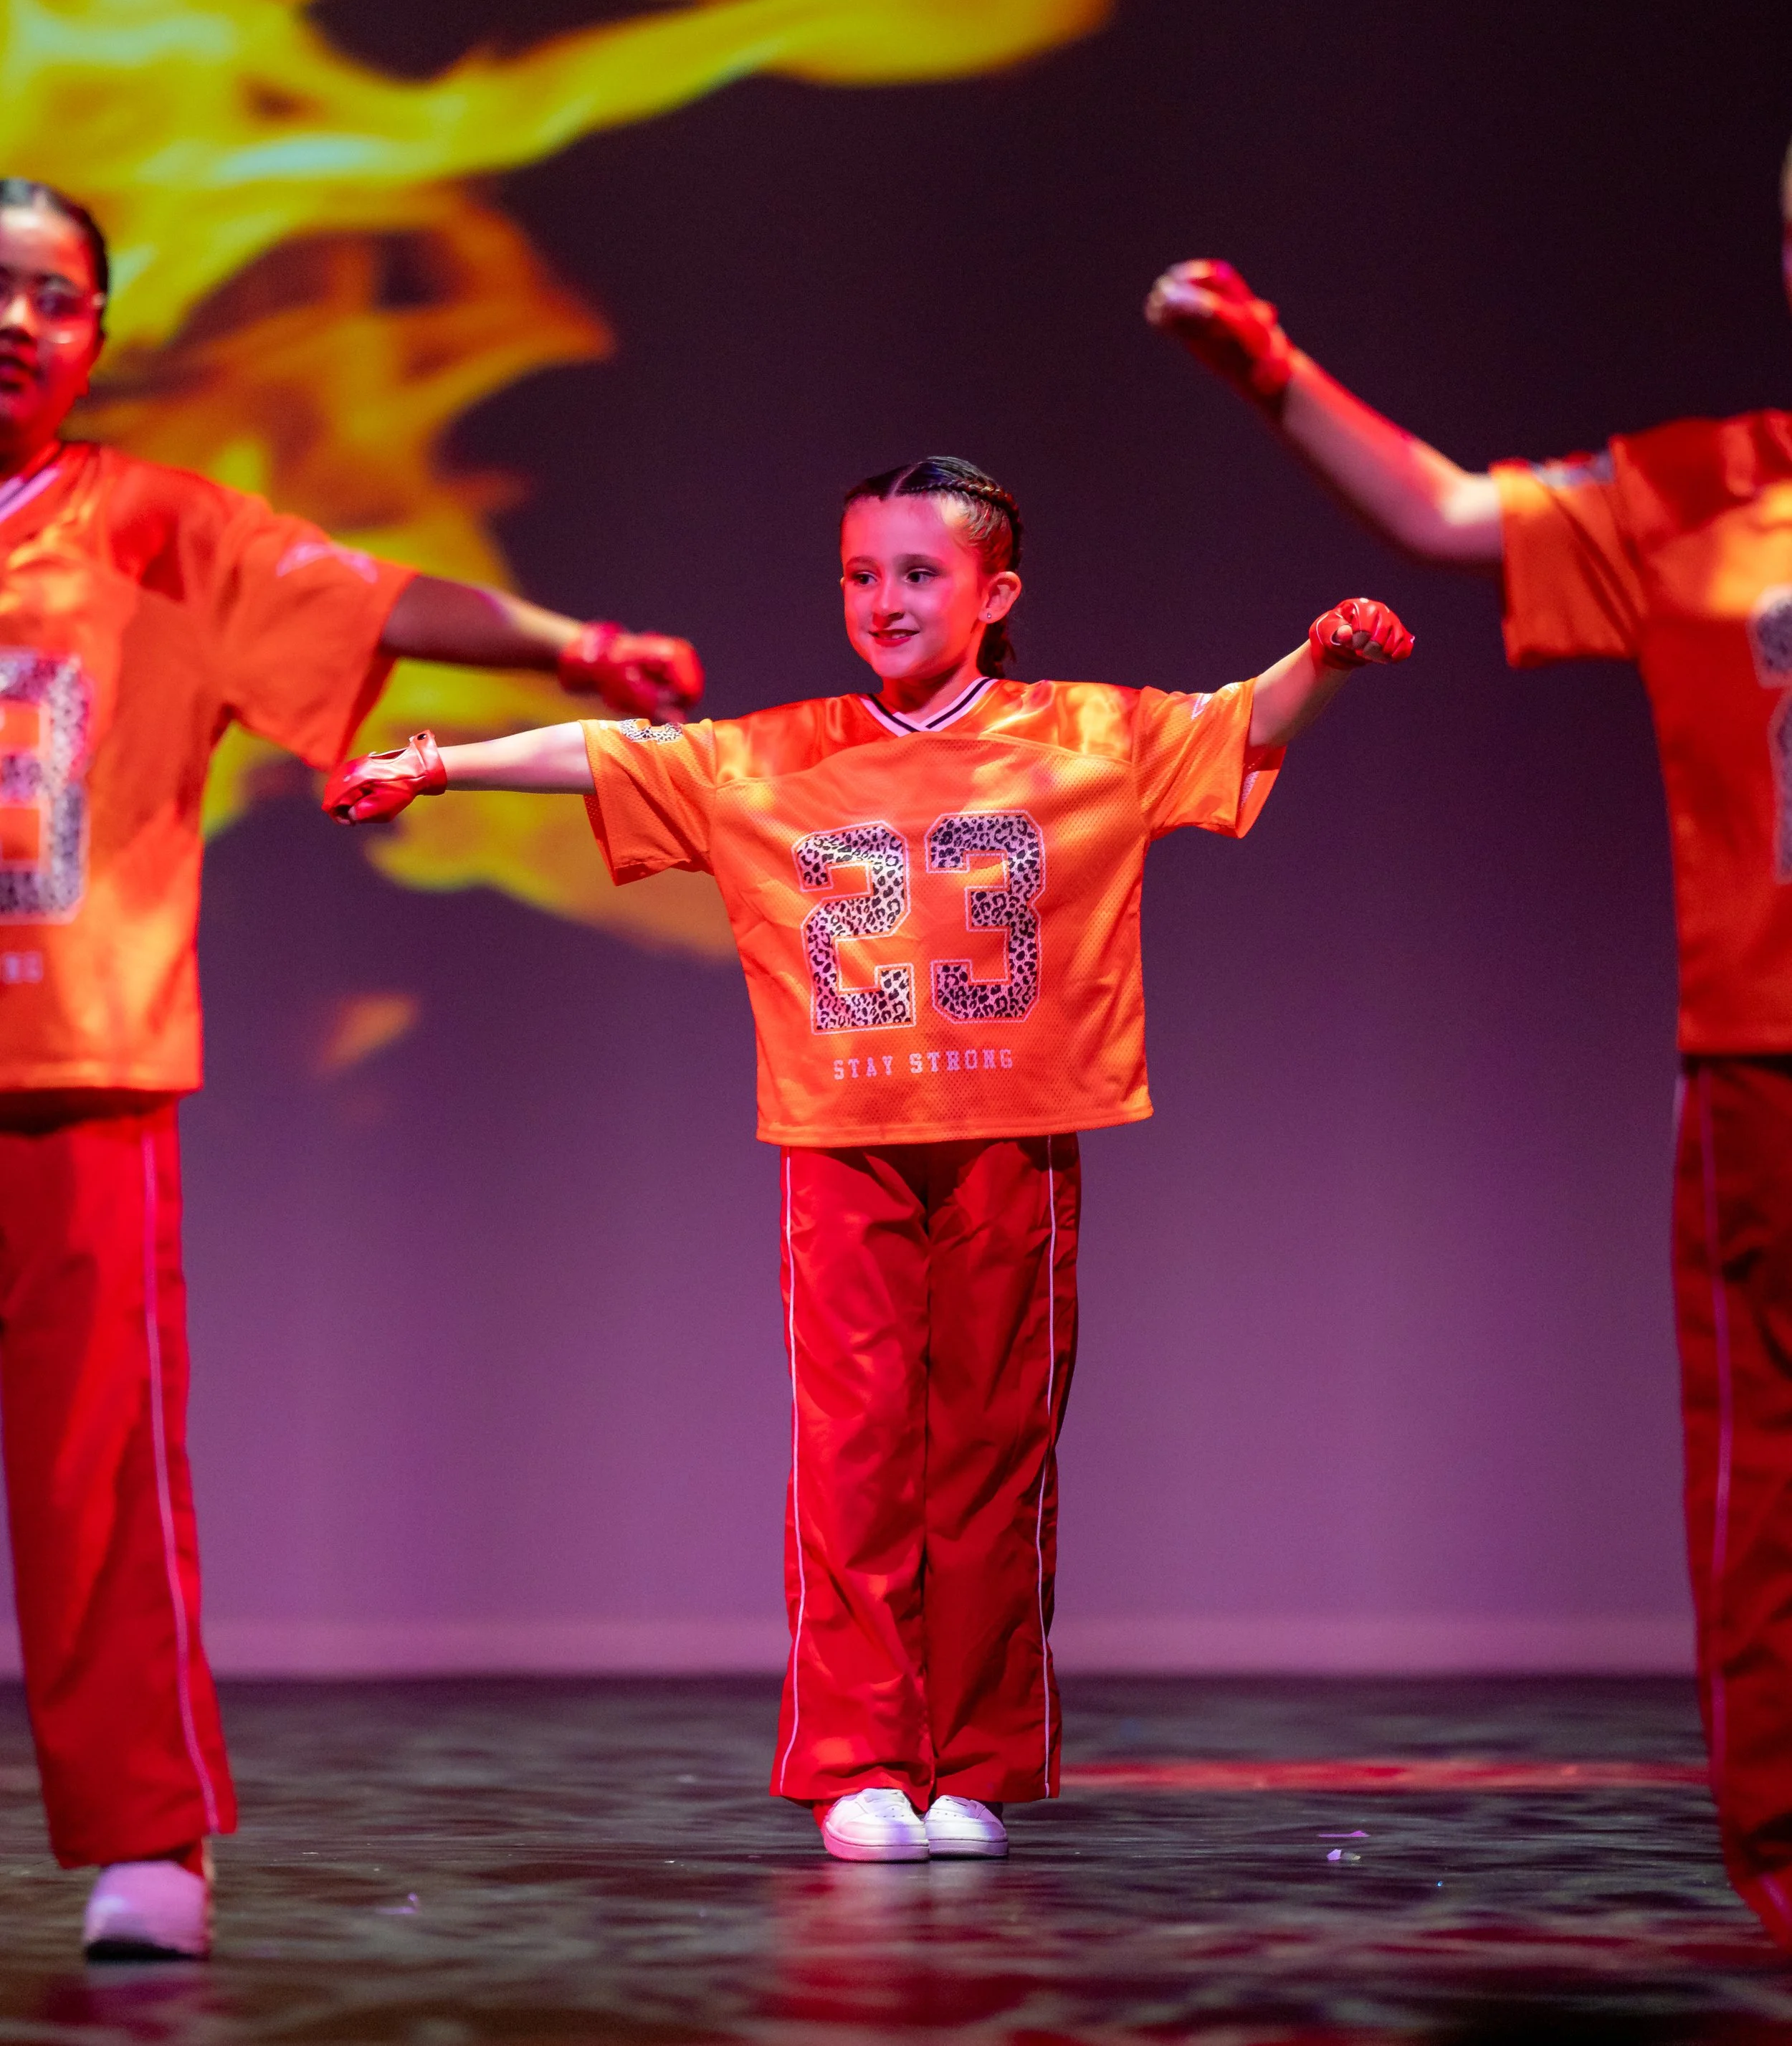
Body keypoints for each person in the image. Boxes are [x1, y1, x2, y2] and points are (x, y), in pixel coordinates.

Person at [327, 449, 1414, 1862]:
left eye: (917, 573)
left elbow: (1235, 725)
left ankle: (967, 1764)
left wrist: (1322, 657)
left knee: (988, 1456)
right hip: (841, 1142)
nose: (884, 599)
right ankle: (857, 1762)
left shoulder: (1077, 734)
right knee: (851, 1458)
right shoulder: (783, 752)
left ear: (993, 590)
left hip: (1010, 1136)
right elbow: (606, 756)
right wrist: (438, 763)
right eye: (860, 574)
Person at [0, 176, 702, 1963]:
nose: (17, 323)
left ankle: (149, 1840)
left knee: (96, 1489)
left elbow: (377, 595)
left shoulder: (154, 529)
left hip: (75, 1064)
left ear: (92, 336)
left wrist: (573, 646)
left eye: (53, 299)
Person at [1145, 206, 1792, 1946]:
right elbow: (1446, 517)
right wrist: (1267, 373)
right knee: (1768, 1485)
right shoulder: (1709, 484)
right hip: (1767, 1056)